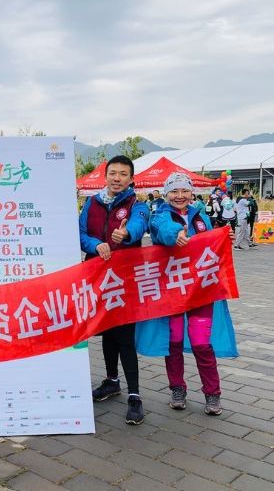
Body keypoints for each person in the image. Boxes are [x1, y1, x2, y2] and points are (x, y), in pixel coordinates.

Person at [148, 172, 237, 416]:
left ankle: (213, 394)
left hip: (200, 291)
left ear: (191, 193)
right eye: (174, 191)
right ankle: (177, 389)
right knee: (174, 342)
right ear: (166, 194)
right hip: (172, 291)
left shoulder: (201, 217)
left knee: (202, 344)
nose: (180, 196)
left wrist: (223, 238)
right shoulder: (159, 215)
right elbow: (163, 230)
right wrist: (176, 234)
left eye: (184, 190)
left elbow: (209, 244)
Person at [79, 155, 149, 425]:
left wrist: (126, 234)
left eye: (123, 174)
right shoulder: (91, 203)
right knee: (106, 331)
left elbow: (139, 224)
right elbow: (80, 233)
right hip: (96, 277)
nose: (117, 178)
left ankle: (135, 395)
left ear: (131, 179)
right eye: (113, 173)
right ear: (105, 175)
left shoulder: (137, 205)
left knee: (124, 336)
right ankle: (111, 381)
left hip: (125, 280)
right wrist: (95, 244)